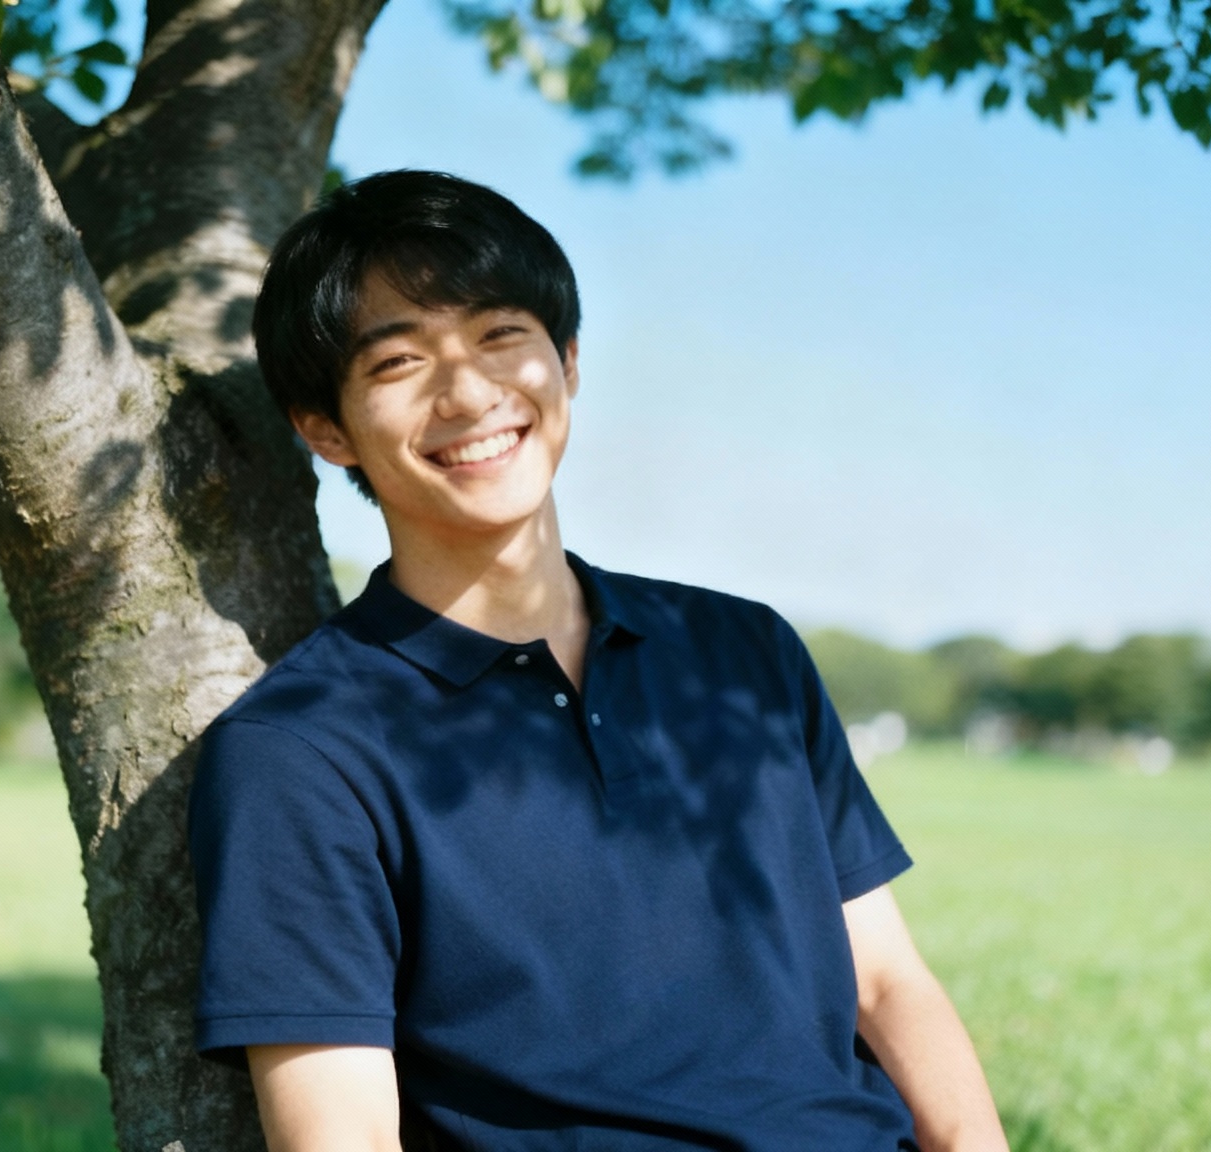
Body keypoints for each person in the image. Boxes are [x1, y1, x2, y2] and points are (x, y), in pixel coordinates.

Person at [188, 169, 1008, 1152]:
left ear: (566, 360)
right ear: (326, 430)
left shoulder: (743, 653)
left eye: (500, 336)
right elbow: (341, 1135)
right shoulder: (302, 749)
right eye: (399, 363)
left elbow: (883, 979)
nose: (469, 393)